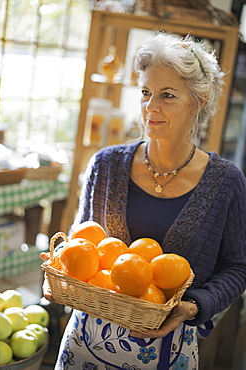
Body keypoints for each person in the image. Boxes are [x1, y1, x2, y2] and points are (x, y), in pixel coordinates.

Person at [41, 31, 246, 369]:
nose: (151, 107)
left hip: (168, 350)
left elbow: (237, 267)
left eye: (167, 95)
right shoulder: (105, 166)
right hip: (86, 341)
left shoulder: (227, 182)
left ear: (199, 100)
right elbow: (82, 241)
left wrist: (194, 305)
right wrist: (62, 264)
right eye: (146, 92)